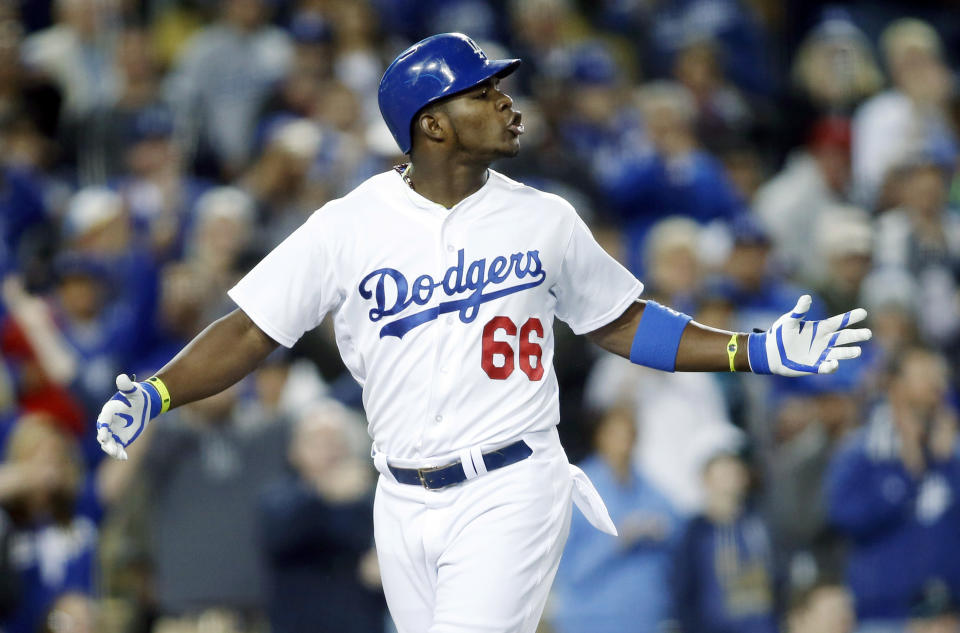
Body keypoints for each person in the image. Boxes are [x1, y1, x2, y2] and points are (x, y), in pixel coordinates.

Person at [94, 33, 871, 633]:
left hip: (513, 481)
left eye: (501, 88)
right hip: (398, 496)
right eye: (484, 91)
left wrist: (756, 349)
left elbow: (622, 321)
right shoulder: (350, 224)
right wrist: (159, 391)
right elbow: (252, 330)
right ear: (432, 124)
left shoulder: (543, 217)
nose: (506, 101)